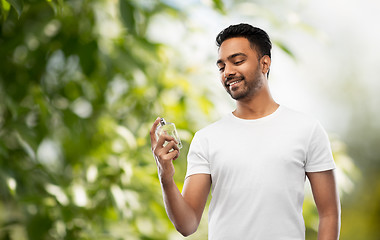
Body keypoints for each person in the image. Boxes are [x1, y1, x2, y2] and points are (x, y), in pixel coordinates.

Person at [150, 23, 341, 240]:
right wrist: (166, 176)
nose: (228, 72)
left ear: (265, 63)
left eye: (238, 61)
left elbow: (329, 214)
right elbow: (187, 224)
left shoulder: (307, 130)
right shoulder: (207, 139)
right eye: (221, 67)